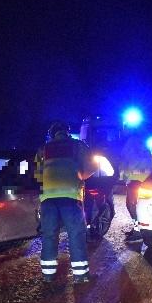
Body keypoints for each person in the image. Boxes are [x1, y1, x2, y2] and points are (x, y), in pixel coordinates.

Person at [35, 121, 99, 284]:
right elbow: (92, 166)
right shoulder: (77, 146)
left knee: (49, 234)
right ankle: (80, 275)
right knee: (75, 233)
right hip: (70, 196)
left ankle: (48, 275)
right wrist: (79, 176)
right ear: (67, 132)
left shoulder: (43, 149)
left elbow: (36, 173)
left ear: (52, 134)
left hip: (48, 198)